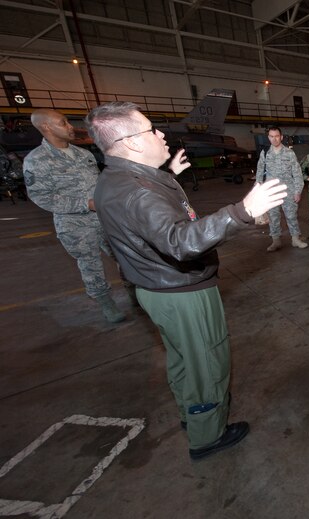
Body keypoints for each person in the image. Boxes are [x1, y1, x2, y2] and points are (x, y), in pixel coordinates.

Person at [86, 102, 287, 460]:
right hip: (181, 292)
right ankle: (207, 435)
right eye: (150, 130)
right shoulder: (136, 191)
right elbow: (180, 241)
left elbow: (147, 214)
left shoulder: (117, 178)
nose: (160, 134)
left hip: (156, 288)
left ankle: (189, 414)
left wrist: (169, 174)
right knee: (207, 364)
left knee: (182, 359)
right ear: (130, 142)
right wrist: (242, 212)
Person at [23, 109, 126, 324]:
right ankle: (105, 302)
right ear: (46, 127)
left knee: (124, 256)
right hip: (74, 224)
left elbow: (99, 184)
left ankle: (134, 290)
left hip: (105, 218)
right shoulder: (36, 160)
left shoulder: (84, 155)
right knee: (91, 265)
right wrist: (85, 204)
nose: (70, 127)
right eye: (63, 123)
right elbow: (41, 196)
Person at [256, 126, 308, 251]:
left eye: (277, 136)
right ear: (268, 137)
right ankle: (276, 241)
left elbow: (297, 173)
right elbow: (259, 170)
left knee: (291, 216)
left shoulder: (289, 153)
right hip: (271, 192)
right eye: (272, 136)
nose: (274, 139)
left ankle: (295, 239)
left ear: (281, 137)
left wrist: (298, 191)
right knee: (273, 217)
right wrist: (258, 189)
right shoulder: (265, 152)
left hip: (288, 191)